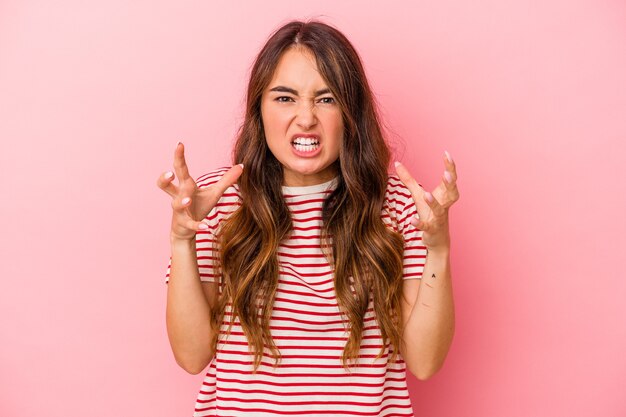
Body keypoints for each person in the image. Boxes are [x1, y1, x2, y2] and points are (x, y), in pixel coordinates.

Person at [158, 19, 459, 417]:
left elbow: (424, 362)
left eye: (326, 98)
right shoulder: (216, 201)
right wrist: (182, 239)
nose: (305, 118)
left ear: (351, 112)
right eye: (284, 98)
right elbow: (192, 356)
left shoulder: (400, 206)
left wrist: (437, 248)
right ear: (258, 109)